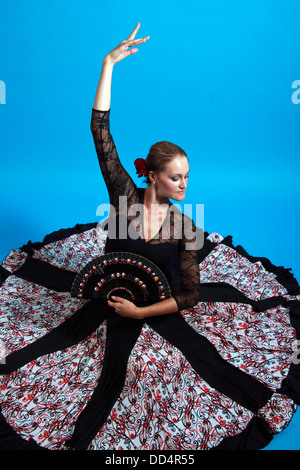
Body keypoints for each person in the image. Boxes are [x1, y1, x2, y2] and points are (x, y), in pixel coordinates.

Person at [0, 24, 300, 451]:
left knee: (155, 367)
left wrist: (141, 314)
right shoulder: (123, 196)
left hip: (155, 307)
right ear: (153, 177)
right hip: (105, 300)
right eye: (176, 178)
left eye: (188, 177)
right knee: (56, 353)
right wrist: (108, 65)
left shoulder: (184, 227)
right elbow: (99, 132)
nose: (184, 186)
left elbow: (191, 295)